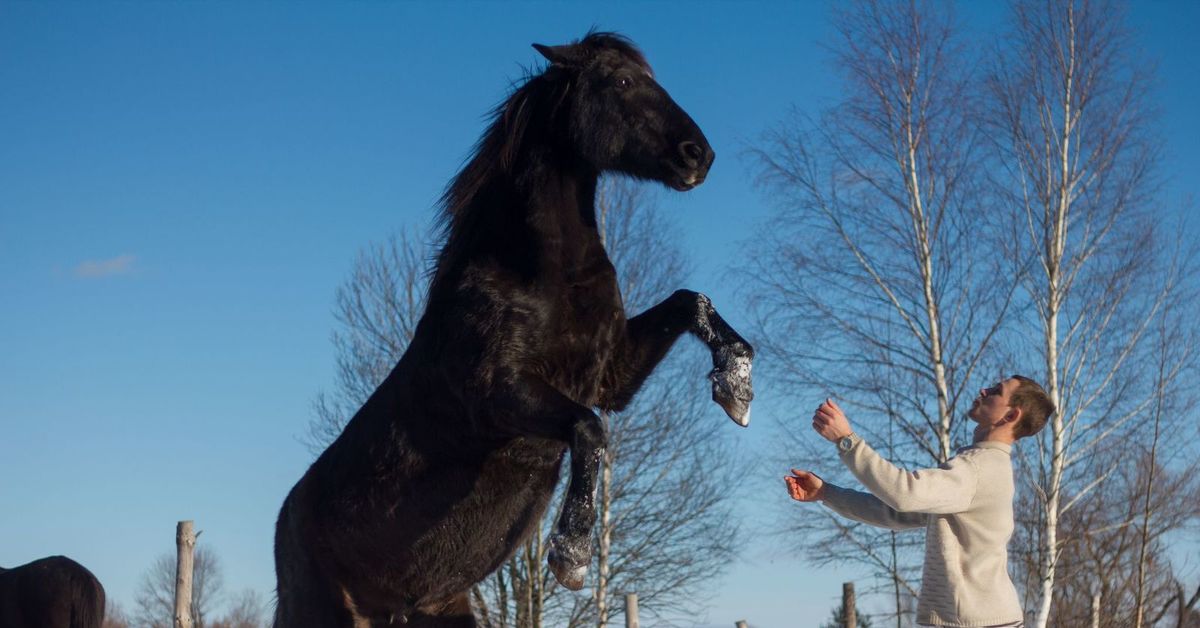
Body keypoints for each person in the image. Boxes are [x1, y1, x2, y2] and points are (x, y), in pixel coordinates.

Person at [785, 375, 1055, 628]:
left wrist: (847, 441)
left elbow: (904, 493)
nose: (984, 390)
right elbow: (894, 511)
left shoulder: (978, 469)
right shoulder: (981, 467)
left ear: (1011, 415)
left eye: (997, 391)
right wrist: (826, 493)